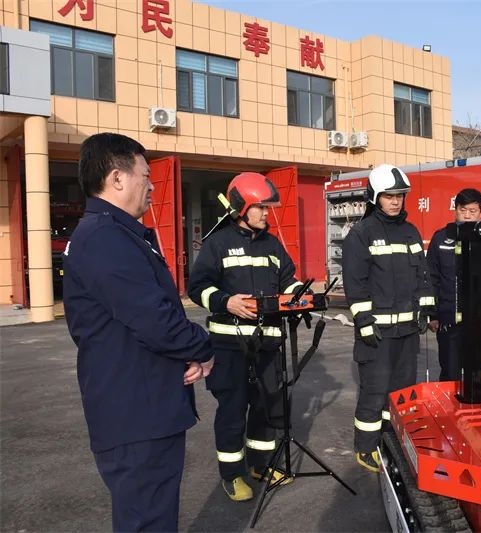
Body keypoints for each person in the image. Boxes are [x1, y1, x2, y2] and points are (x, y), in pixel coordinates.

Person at [63, 133, 214, 532]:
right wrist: (203, 347)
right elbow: (156, 320)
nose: (151, 185)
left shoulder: (118, 234)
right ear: (117, 178)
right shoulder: (104, 238)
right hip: (135, 414)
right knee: (147, 522)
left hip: (145, 405)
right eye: (145, 176)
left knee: (152, 517)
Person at [188, 172, 304, 502]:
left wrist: (302, 296)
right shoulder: (217, 243)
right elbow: (197, 288)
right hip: (230, 345)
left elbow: (288, 281)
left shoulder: (271, 244)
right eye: (261, 208)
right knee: (233, 410)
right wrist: (227, 302)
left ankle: (260, 464)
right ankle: (232, 474)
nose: (267, 214)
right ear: (241, 207)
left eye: (268, 208)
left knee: (266, 407)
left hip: (267, 343)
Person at [342, 164, 435, 473]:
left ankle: (392, 440)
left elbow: (423, 275)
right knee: (374, 392)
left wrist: (425, 307)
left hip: (407, 332)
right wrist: (364, 322)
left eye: (400, 196)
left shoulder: (410, 231)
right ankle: (366, 448)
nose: (396, 202)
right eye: (389, 196)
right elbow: (356, 285)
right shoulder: (361, 234)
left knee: (402, 392)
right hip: (377, 334)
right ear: (375, 197)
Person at [427, 188, 481, 381]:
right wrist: (432, 314)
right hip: (449, 321)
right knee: (450, 373)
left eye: (472, 211)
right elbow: (431, 277)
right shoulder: (441, 238)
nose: (467, 215)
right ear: (455, 209)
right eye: (462, 210)